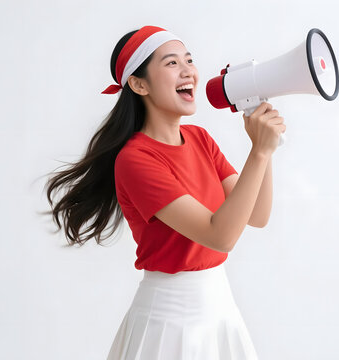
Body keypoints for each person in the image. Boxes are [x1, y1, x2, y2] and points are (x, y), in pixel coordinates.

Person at [44, 25, 285, 359]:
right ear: (138, 84)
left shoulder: (200, 138)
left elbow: (257, 215)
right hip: (169, 322)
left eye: (189, 60)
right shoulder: (135, 160)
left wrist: (265, 150)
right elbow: (221, 236)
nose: (188, 71)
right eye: (172, 63)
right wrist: (257, 152)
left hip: (221, 309)